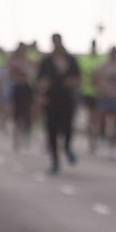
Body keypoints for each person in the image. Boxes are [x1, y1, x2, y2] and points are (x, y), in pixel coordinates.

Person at [35, 34, 81, 176]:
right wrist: (41, 95)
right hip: (51, 100)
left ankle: (67, 148)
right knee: (52, 131)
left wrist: (72, 82)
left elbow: (78, 77)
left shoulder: (71, 60)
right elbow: (40, 79)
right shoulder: (47, 61)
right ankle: (55, 162)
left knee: (67, 128)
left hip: (67, 100)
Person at [77, 40, 105, 154]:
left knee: (97, 118)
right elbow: (81, 76)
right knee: (90, 117)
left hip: (100, 93)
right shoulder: (84, 60)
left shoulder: (102, 59)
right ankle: (91, 141)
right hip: (88, 92)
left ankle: (97, 137)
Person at [8, 42, 35, 150]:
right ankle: (17, 137)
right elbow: (11, 73)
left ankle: (25, 135)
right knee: (17, 113)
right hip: (17, 87)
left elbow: (31, 74)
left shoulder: (28, 60)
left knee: (27, 112)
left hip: (27, 88)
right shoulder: (13, 60)